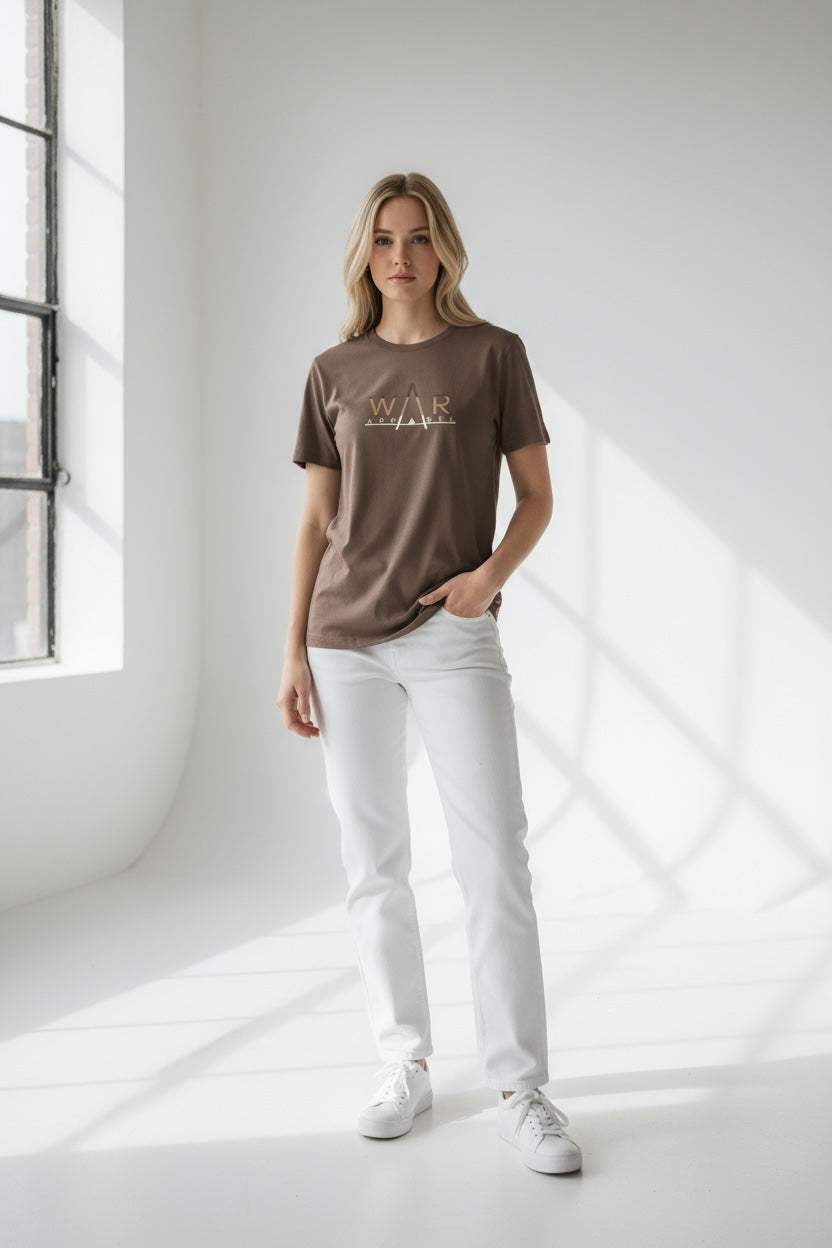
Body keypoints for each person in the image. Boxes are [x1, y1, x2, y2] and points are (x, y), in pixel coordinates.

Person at [276, 172, 582, 1175]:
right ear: (364, 255)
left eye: (417, 237)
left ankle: (520, 1088)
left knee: (495, 858)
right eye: (383, 239)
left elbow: (536, 496)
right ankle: (401, 1061)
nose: (400, 256)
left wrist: (487, 579)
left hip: (454, 630)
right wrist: (291, 651)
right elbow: (316, 524)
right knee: (374, 861)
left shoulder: (493, 355)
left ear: (444, 246)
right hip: (343, 641)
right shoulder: (333, 370)